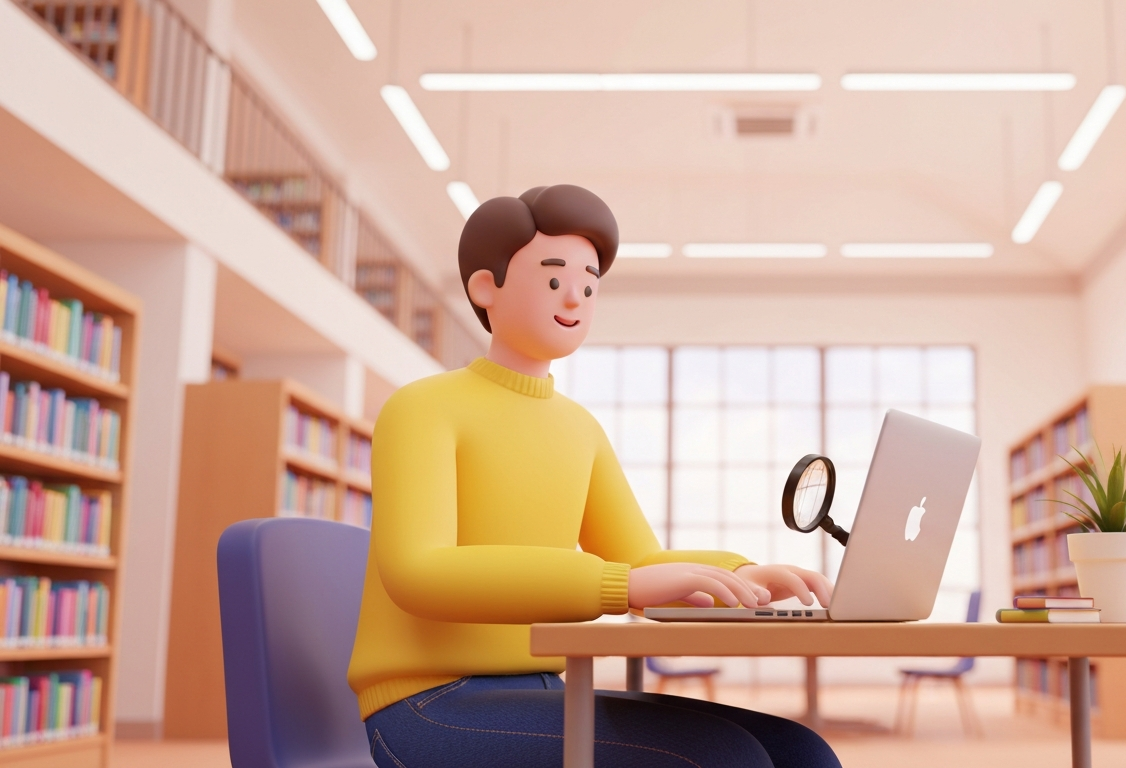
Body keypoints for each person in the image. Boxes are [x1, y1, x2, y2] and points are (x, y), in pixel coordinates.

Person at [347, 184, 842, 768]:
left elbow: (637, 558)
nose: (574, 299)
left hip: (541, 688)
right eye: (555, 280)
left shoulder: (578, 427)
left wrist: (737, 573)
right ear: (487, 287)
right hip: (424, 703)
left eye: (589, 284)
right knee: (727, 758)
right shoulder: (422, 408)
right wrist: (618, 587)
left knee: (801, 751)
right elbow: (419, 573)